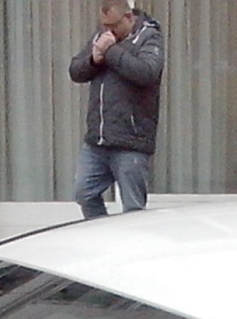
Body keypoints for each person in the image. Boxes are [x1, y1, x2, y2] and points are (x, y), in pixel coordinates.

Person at [71, 3, 166, 217]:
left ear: (129, 18)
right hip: (98, 139)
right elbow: (75, 70)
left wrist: (110, 51)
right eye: (104, 25)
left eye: (113, 26)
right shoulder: (102, 35)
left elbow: (147, 72)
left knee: (132, 208)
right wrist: (93, 61)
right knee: (84, 193)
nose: (108, 31)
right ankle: (102, 237)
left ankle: (132, 248)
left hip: (131, 140)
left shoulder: (149, 37)